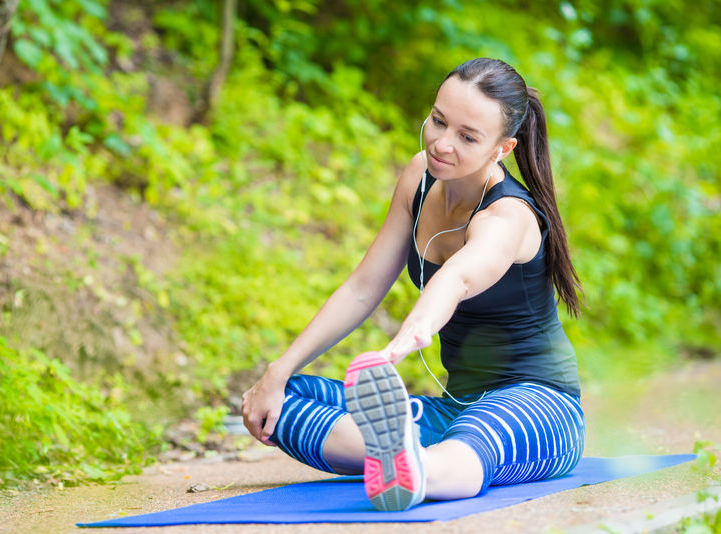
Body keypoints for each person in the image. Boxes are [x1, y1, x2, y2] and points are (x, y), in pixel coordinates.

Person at [241, 57, 585, 512]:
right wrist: (277, 371)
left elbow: (456, 279)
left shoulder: (509, 217)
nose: (442, 143)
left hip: (541, 406)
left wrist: (400, 346)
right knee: (280, 403)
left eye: (467, 137)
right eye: (438, 121)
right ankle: (401, 452)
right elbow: (363, 287)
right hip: (453, 407)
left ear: (502, 149)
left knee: (477, 438)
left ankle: (419, 471)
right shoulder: (420, 176)